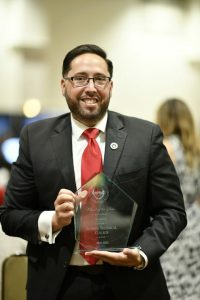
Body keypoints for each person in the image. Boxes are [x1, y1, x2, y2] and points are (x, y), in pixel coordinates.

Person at [0, 44, 187, 300]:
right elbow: (10, 215)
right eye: (80, 78)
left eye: (100, 79)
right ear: (63, 84)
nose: (91, 87)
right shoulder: (35, 137)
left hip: (133, 284)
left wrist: (142, 252)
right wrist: (52, 221)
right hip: (59, 285)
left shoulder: (144, 137)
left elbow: (172, 211)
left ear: (110, 86)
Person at [156, 98, 200, 300]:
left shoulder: (165, 147)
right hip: (196, 225)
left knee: (171, 285)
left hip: (172, 224)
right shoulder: (195, 150)